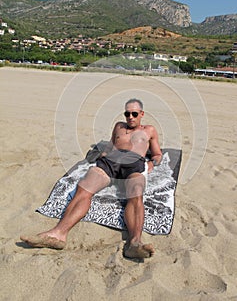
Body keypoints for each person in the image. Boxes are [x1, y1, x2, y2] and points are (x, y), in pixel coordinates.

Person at [20, 98, 163, 259]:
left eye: (134, 114)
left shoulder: (149, 130)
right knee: (84, 188)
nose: (130, 117)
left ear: (141, 114)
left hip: (134, 164)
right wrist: (103, 155)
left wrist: (152, 163)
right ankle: (58, 234)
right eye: (127, 113)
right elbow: (110, 146)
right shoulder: (119, 126)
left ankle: (134, 243)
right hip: (110, 162)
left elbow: (157, 154)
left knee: (136, 194)